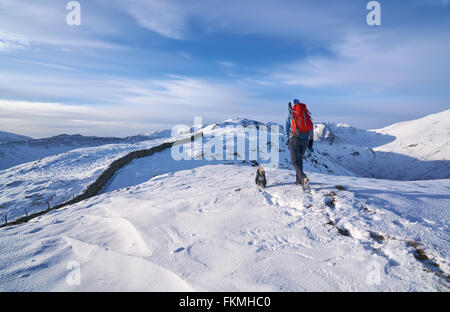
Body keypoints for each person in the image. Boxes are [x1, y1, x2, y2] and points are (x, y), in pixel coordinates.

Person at [285, 99, 314, 189]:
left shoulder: (291, 113)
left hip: (295, 138)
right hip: (305, 139)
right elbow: (311, 128)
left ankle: (303, 177)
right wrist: (311, 141)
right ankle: (298, 181)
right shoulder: (306, 113)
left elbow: (286, 126)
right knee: (299, 159)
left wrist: (287, 138)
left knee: (294, 161)